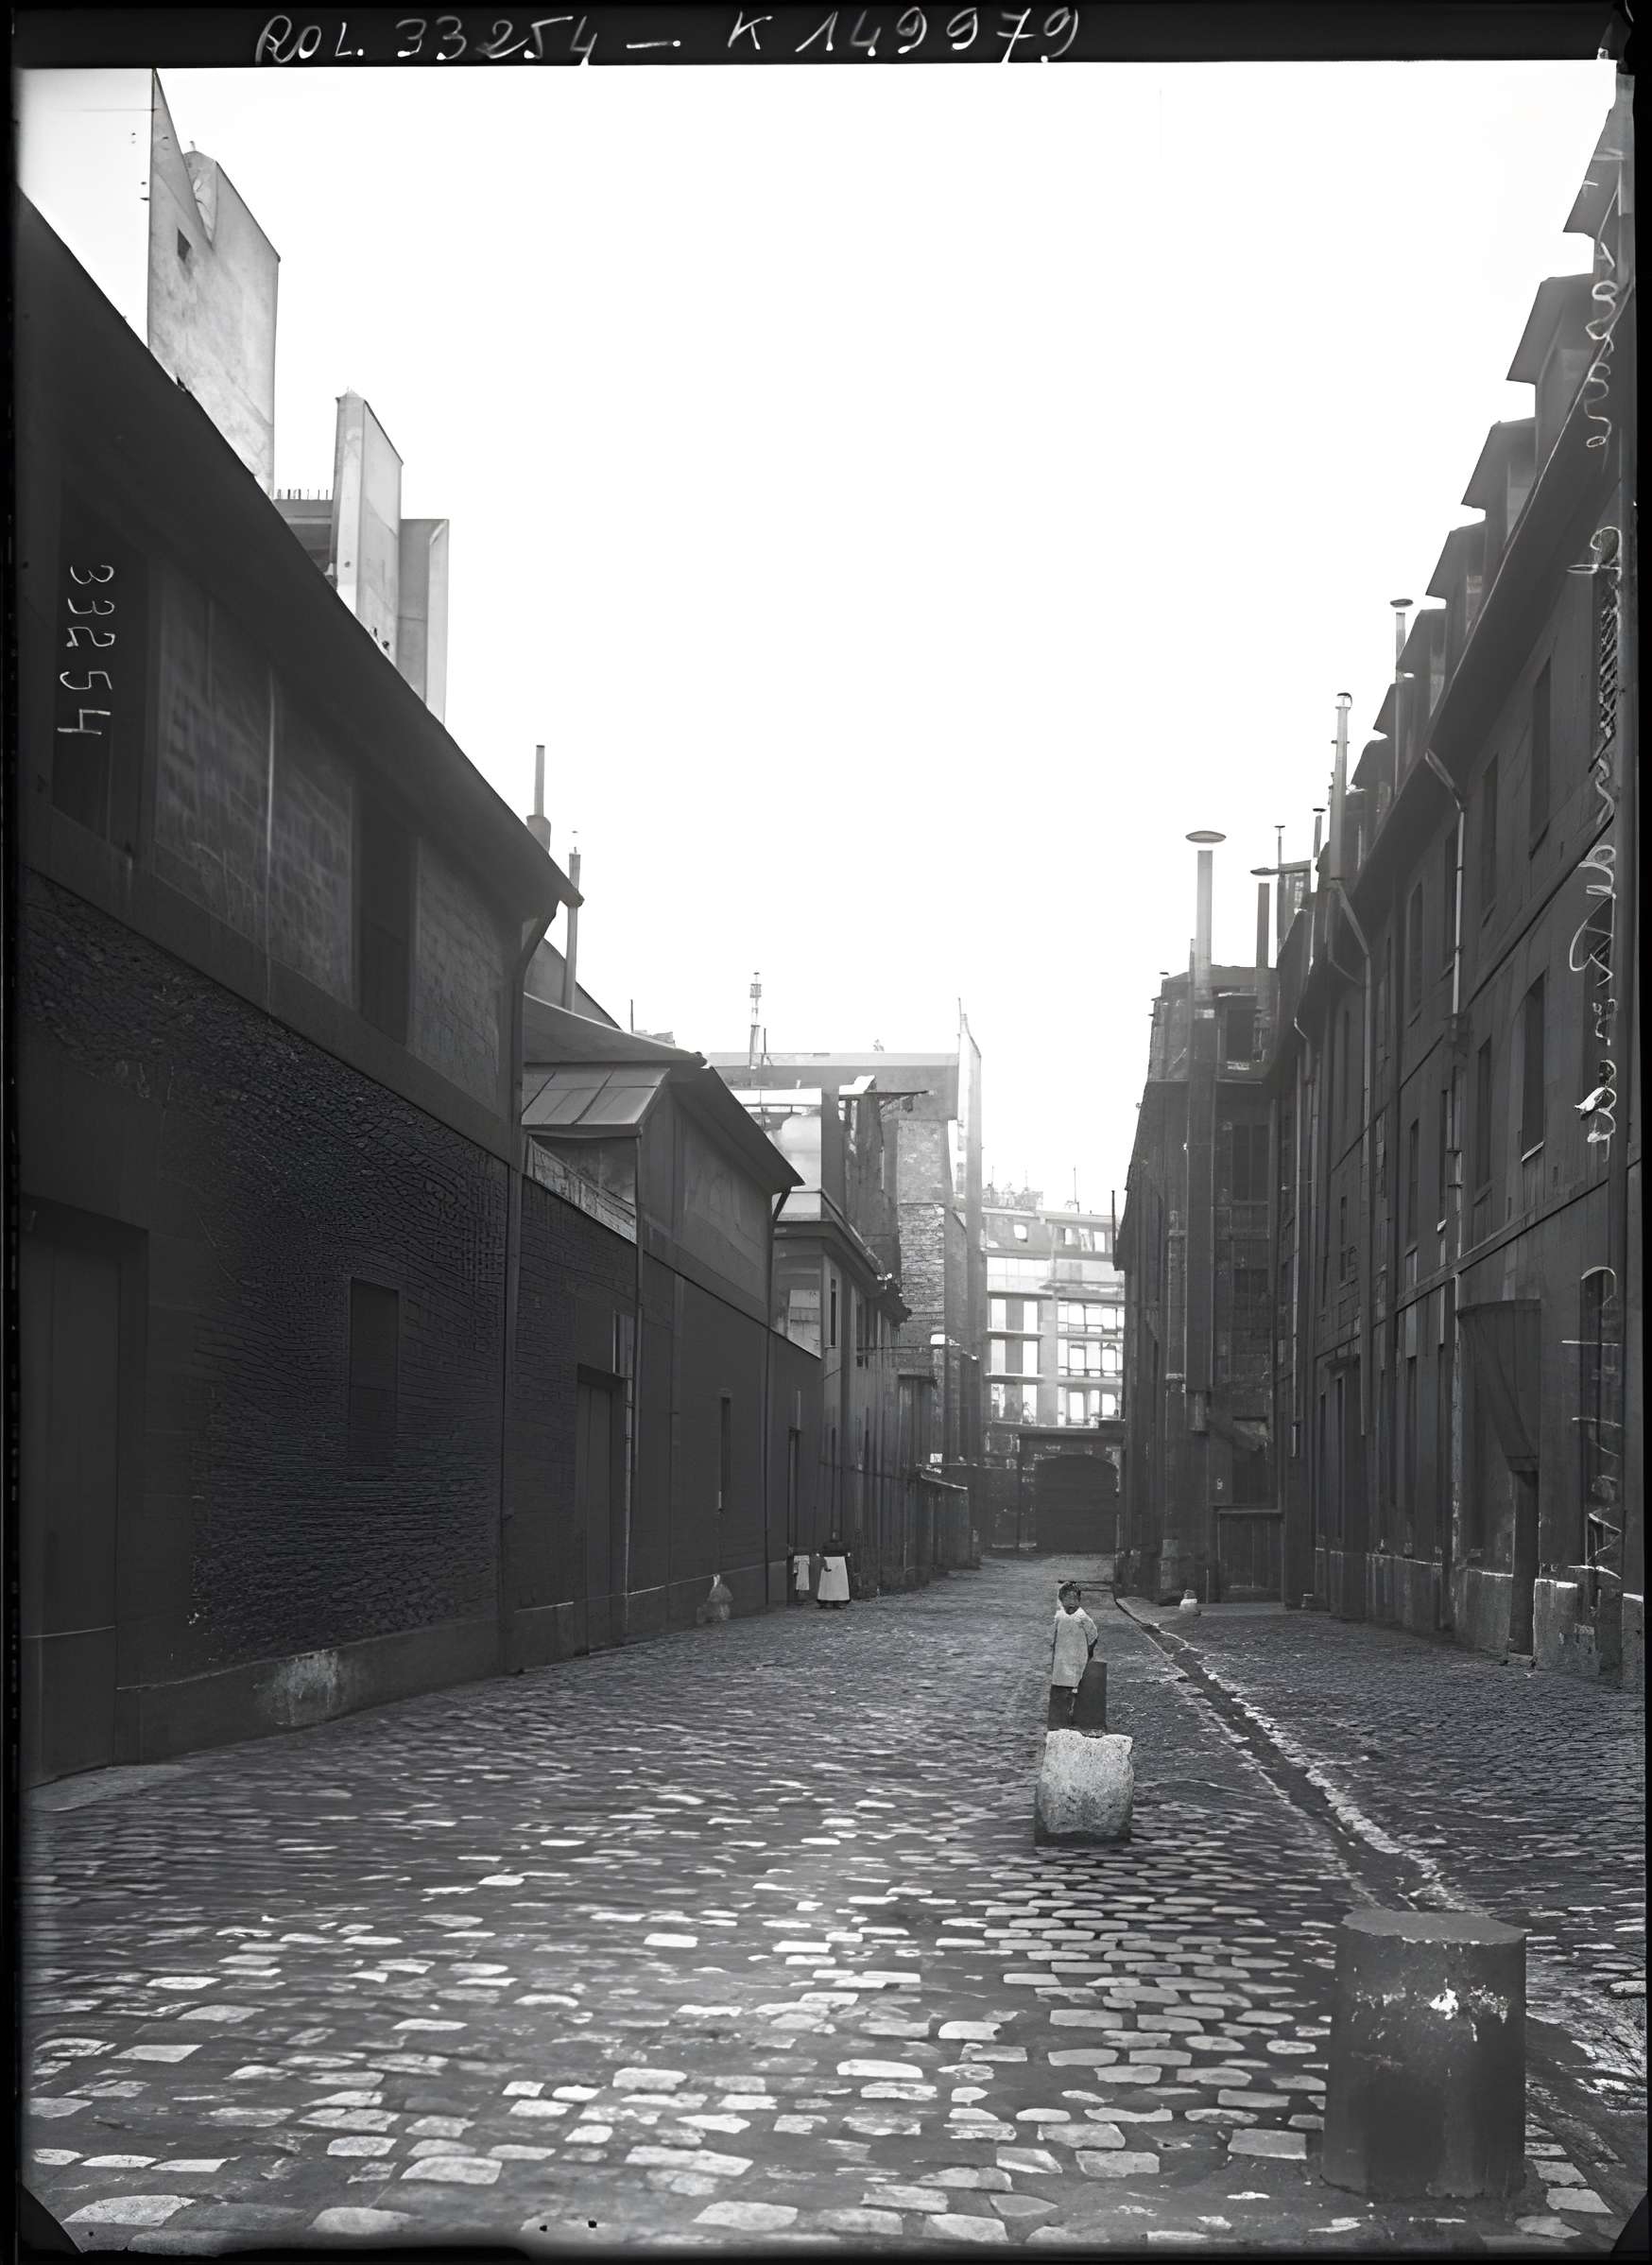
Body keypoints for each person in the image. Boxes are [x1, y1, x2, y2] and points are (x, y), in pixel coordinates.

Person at [1048, 1581, 1098, 1726]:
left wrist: (1089, 1651)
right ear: (1061, 1601)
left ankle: (1072, 1714)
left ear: (1079, 1600)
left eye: (1074, 1598)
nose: (1071, 1603)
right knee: (1059, 1687)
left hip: (1077, 1655)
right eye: (1067, 1599)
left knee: (1074, 1686)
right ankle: (1058, 1716)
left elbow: (1093, 1634)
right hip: (1061, 1657)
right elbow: (1052, 1636)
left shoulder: (1083, 1618)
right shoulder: (1058, 1617)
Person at [817, 1534, 851, 1609]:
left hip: (834, 1561)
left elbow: (820, 1552)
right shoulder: (841, 1545)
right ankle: (834, 1600)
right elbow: (847, 1553)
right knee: (835, 1583)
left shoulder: (831, 1545)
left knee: (831, 1582)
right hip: (838, 1561)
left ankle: (830, 1601)